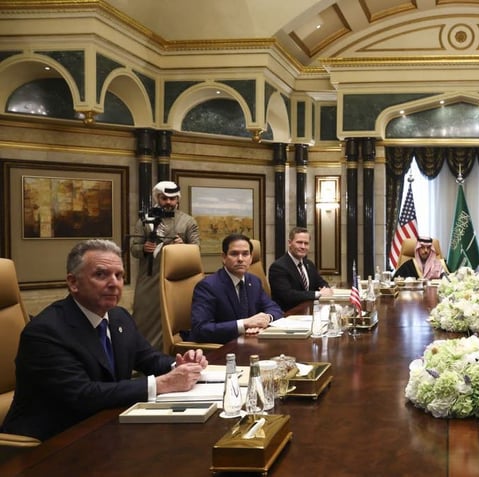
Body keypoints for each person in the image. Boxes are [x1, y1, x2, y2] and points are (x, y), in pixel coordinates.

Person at [1, 240, 207, 441]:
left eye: (119, 275)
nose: (114, 283)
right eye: (101, 275)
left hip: (102, 427)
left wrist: (179, 364)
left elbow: (148, 358)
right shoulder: (46, 332)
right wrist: (162, 383)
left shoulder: (119, 317)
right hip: (49, 444)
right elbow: (83, 395)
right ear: (73, 282)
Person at [129, 180, 199, 351]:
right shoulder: (144, 221)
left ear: (178, 200)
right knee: (143, 316)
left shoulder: (188, 221)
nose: (168, 202)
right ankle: (143, 357)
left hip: (178, 281)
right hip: (150, 278)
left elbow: (196, 250)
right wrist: (144, 248)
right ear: (157, 198)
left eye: (172, 198)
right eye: (164, 198)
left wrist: (183, 246)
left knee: (175, 317)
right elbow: (133, 248)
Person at [188, 234, 282, 344]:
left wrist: (266, 318)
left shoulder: (254, 281)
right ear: (224, 257)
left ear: (251, 258)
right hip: (222, 348)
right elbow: (201, 329)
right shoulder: (208, 286)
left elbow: (274, 308)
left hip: (250, 343)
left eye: (245, 254)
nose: (240, 259)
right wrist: (244, 324)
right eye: (234, 254)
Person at [268, 227, 332, 311]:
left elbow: (321, 283)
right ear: (290, 243)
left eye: (306, 243)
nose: (303, 246)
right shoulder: (278, 267)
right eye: (299, 242)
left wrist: (326, 289)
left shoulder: (309, 264)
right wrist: (318, 294)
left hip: (309, 311)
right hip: (288, 315)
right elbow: (288, 295)